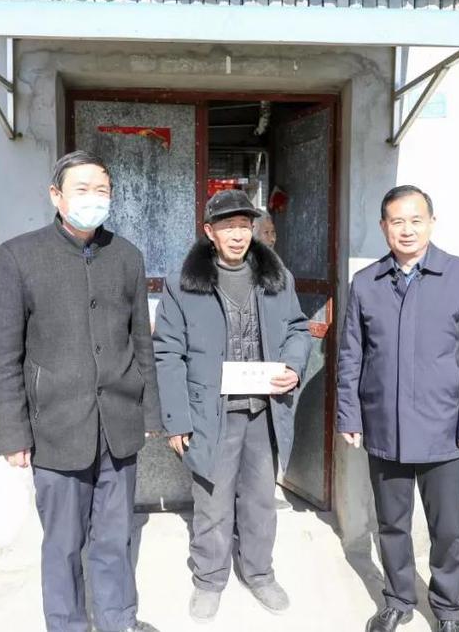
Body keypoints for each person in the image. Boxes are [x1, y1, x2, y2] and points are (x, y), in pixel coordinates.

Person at [0, 150, 161, 632]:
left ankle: (118, 620)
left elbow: (141, 342)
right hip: (56, 428)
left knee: (115, 536)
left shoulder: (126, 255)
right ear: (56, 195)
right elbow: (2, 355)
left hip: (118, 425)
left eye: (102, 190)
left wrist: (150, 414)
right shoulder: (18, 256)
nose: (93, 198)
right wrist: (12, 434)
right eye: (81, 189)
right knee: (63, 544)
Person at [336, 185, 459, 632]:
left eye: (415, 220)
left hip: (445, 432)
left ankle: (447, 609)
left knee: (448, 529)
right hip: (385, 428)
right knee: (391, 524)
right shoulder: (367, 282)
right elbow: (351, 355)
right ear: (383, 227)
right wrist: (349, 415)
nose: (407, 230)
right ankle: (398, 599)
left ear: (431, 223)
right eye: (397, 221)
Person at [153, 189, 312, 623]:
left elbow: (299, 329)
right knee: (212, 501)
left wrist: (294, 366)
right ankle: (209, 579)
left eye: (245, 226)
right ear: (210, 232)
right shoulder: (183, 283)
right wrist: (177, 421)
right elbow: (167, 352)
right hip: (212, 413)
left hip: (263, 411)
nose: (238, 235)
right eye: (228, 227)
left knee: (261, 500)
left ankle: (259, 573)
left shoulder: (276, 277)